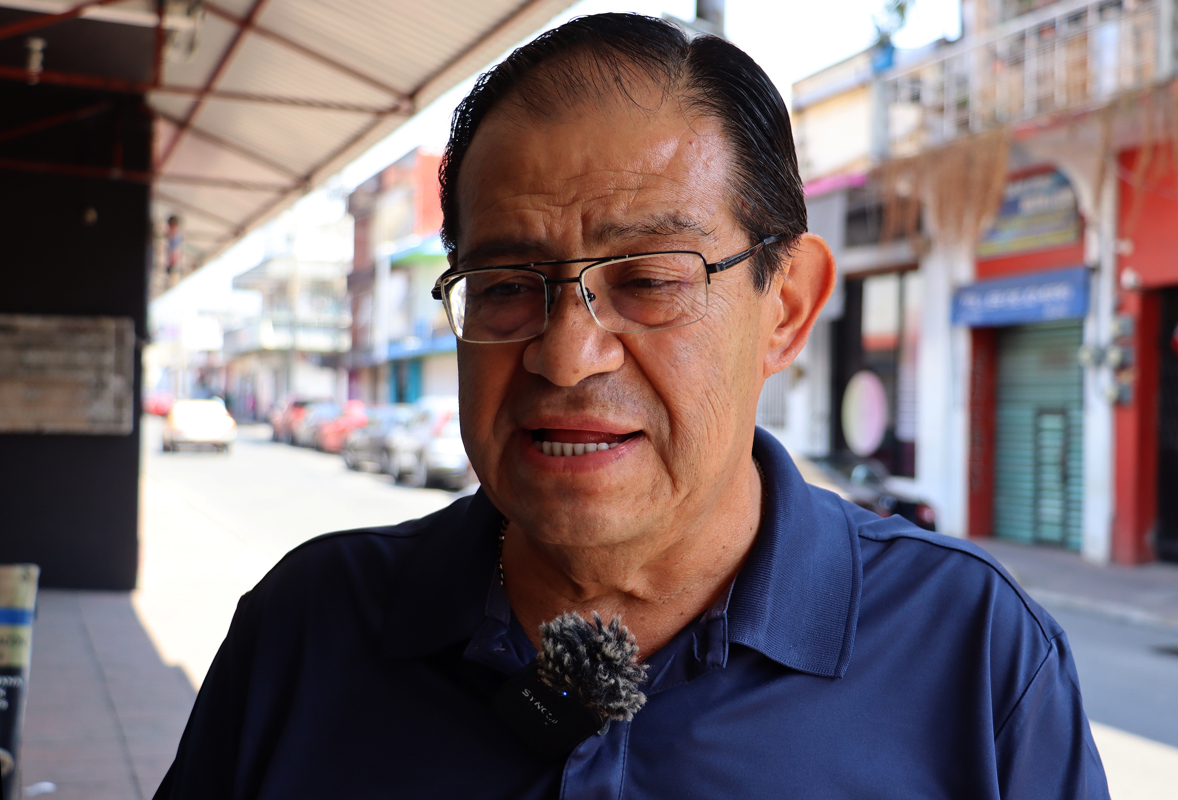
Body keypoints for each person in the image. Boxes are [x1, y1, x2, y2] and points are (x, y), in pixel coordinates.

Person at [154, 14, 1108, 799]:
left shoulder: (974, 656)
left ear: (787, 309)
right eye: (504, 284)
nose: (566, 358)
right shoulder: (310, 630)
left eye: (650, 279)